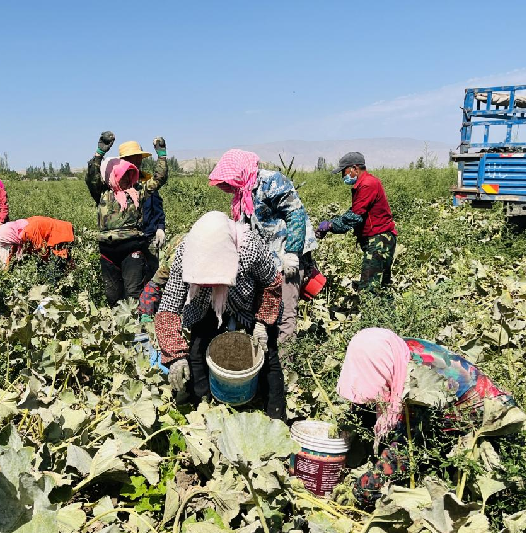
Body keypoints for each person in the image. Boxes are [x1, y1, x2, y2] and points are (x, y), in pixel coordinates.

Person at [336, 327, 514, 504]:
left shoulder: (418, 378)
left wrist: (365, 487)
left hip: (490, 416)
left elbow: (404, 450)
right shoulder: (394, 350)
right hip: (444, 409)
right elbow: (363, 395)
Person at [156, 211, 285, 418]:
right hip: (203, 305)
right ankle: (203, 413)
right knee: (197, 354)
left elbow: (272, 283)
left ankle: (275, 418)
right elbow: (169, 306)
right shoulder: (184, 253)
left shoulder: (249, 247)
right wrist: (175, 356)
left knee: (267, 354)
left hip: (246, 303)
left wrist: (262, 322)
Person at [209, 150, 318, 344]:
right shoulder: (243, 193)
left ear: (240, 172)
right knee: (266, 309)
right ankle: (266, 356)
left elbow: (295, 213)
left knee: (285, 310)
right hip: (266, 261)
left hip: (286, 255)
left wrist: (292, 252)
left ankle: (285, 357)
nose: (228, 186)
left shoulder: (271, 181)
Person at [85, 131, 168, 307]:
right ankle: (117, 323)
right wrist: (99, 153)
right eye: (122, 174)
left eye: (130, 174)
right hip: (108, 250)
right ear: (113, 175)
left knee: (133, 295)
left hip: (132, 248)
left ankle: (138, 323)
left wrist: (161, 155)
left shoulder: (138, 193)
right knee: (112, 296)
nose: (126, 178)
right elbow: (92, 177)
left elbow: (159, 178)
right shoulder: (103, 194)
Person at [315, 152, 397, 291]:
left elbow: (355, 217)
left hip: (379, 240)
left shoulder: (367, 184)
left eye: (344, 171)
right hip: (381, 239)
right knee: (381, 287)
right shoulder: (366, 183)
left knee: (369, 289)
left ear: (354, 168)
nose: (343, 176)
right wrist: (332, 223)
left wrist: (331, 226)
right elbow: (356, 209)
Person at [0, 216, 75, 261]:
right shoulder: (18, 230)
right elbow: (14, 250)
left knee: (63, 260)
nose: (10, 244)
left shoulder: (28, 231)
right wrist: (7, 267)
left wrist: (45, 267)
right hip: (52, 234)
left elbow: (42, 251)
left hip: (60, 233)